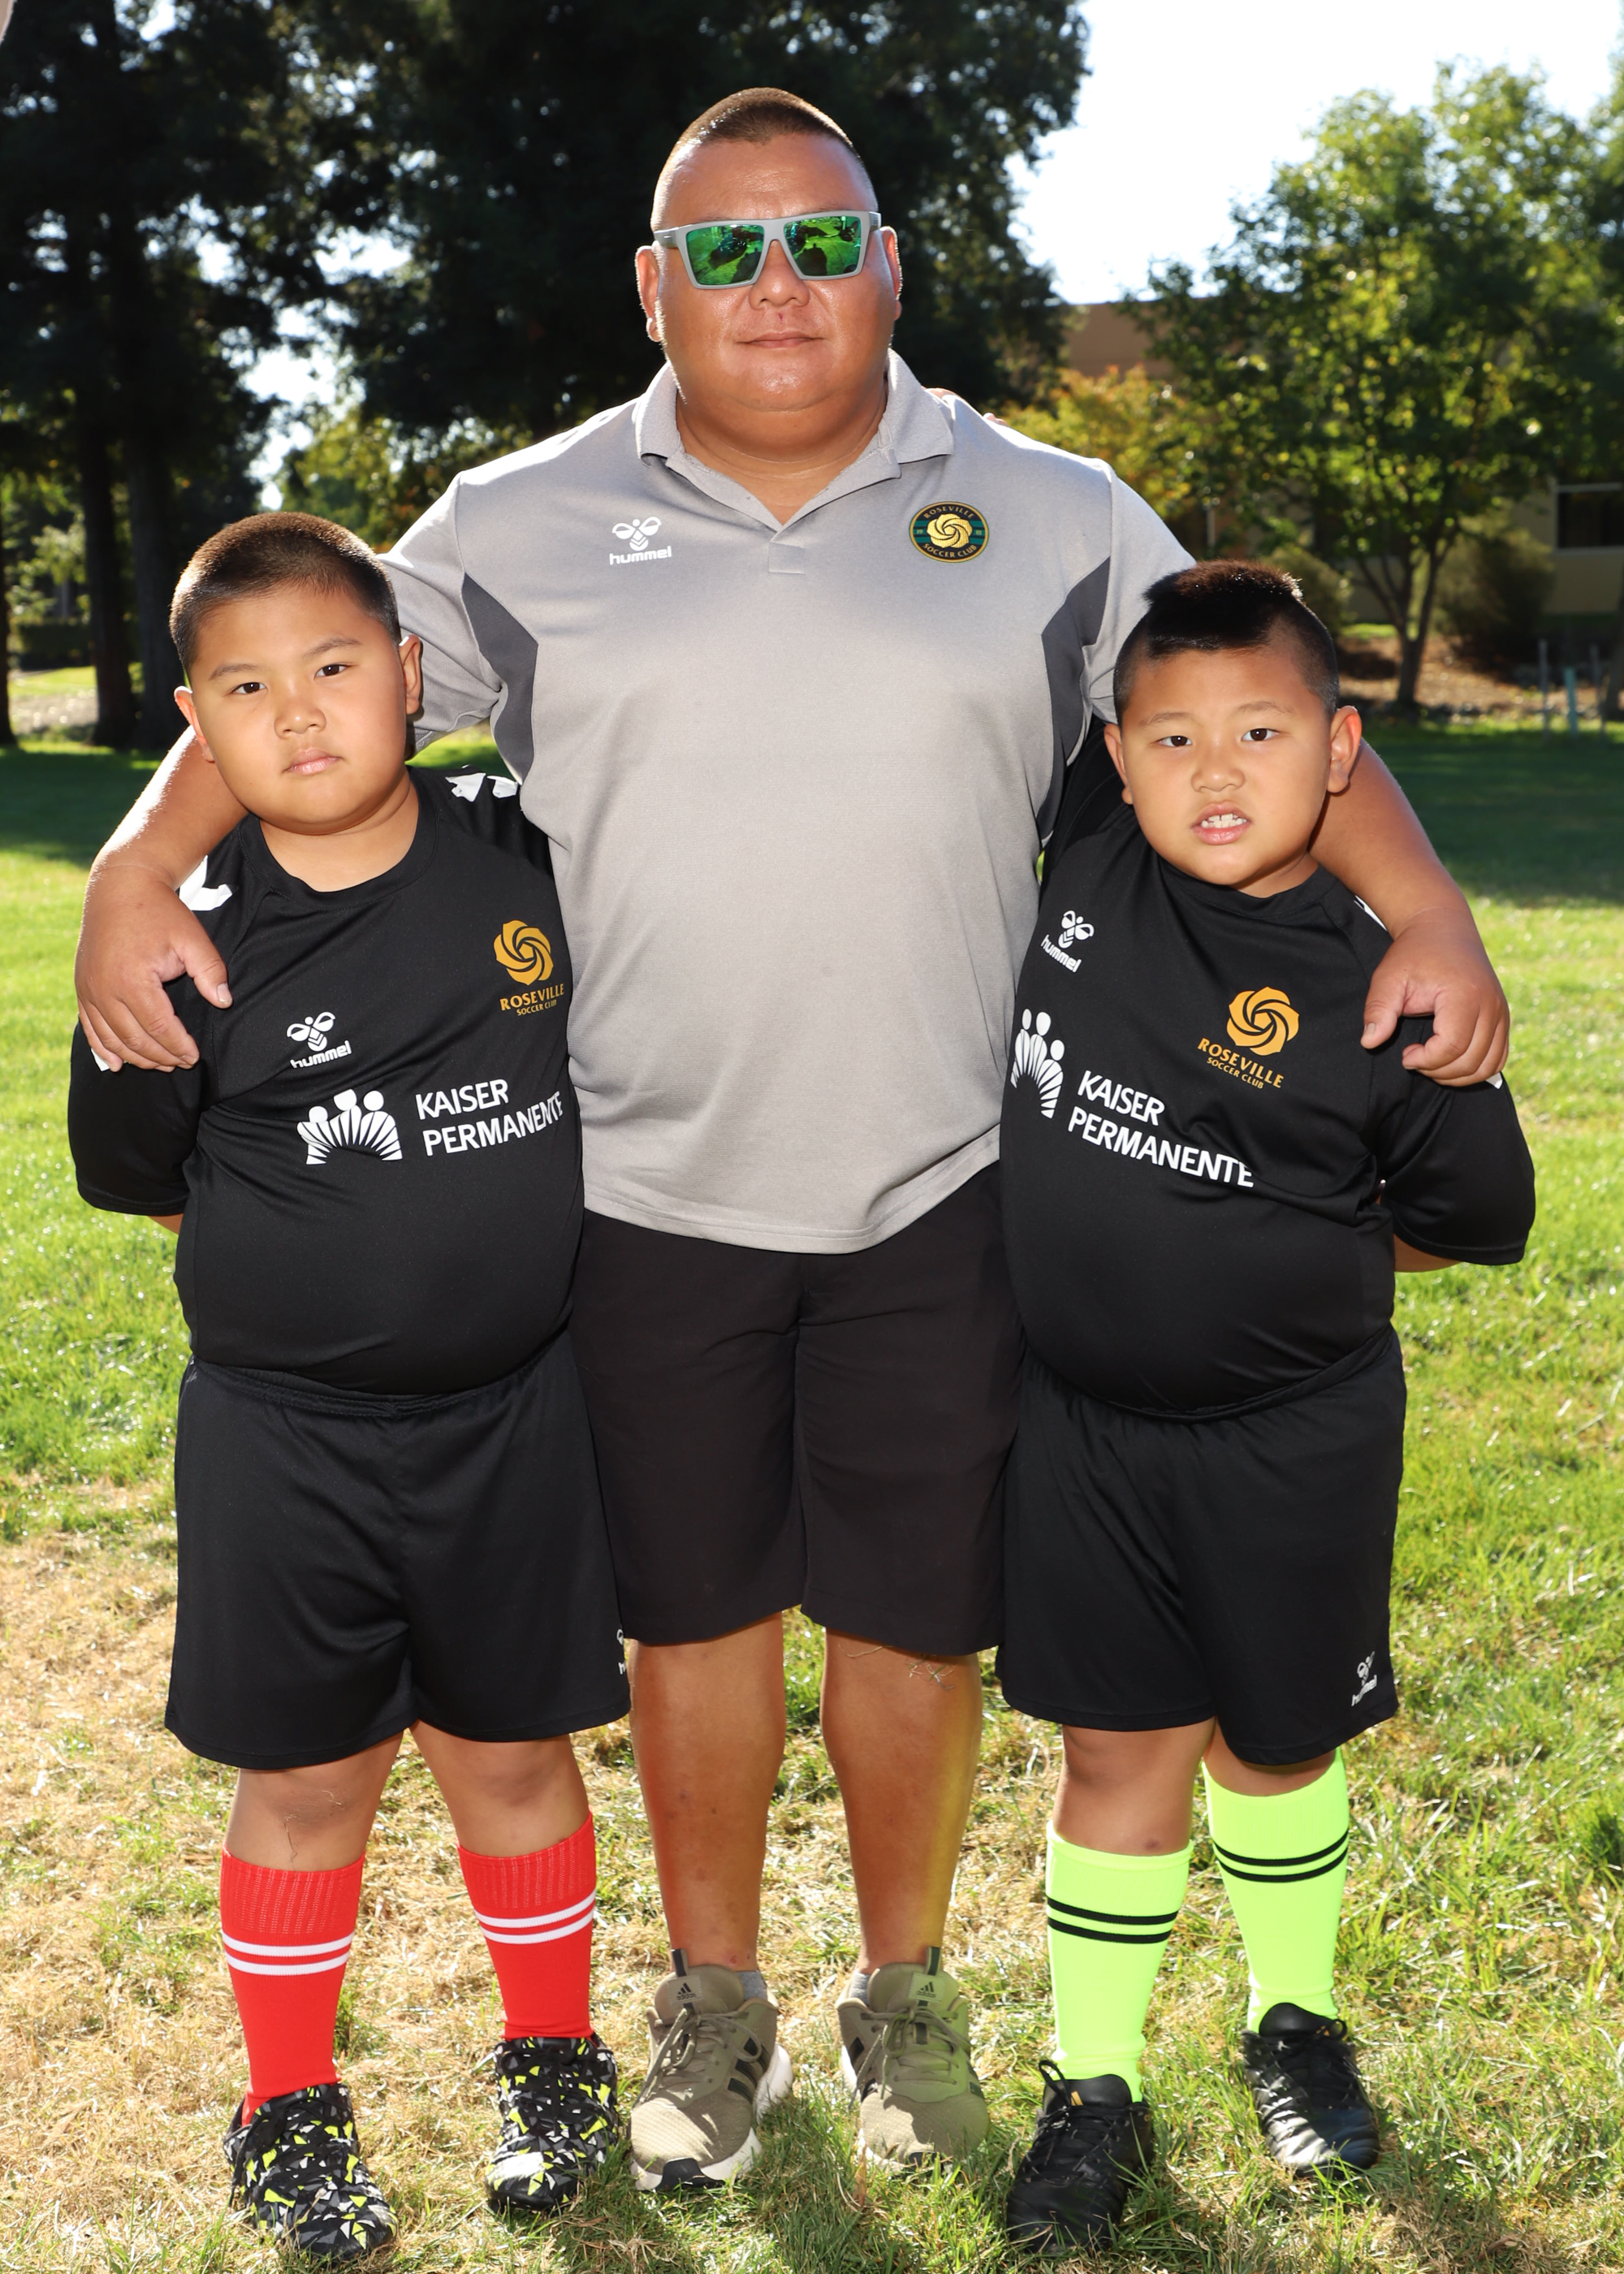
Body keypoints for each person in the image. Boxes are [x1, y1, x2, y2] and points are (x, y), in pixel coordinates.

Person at [72, 90, 1512, 2188]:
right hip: (641, 1184)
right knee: (695, 1620)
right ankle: (714, 2002)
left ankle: (906, 2003)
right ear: (651, 285)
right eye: (724, 249)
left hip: (946, 1179)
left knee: (916, 1622)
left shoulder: (1047, 507)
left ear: (888, 271)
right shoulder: (519, 518)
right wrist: (135, 865)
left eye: (823, 242)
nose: (777, 284)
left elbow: (1254, 703)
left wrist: (1433, 909)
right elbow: (298, 675)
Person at [67, 515, 630, 2259]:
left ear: (410, 673)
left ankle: (554, 2059)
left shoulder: (527, 846)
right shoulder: (178, 933)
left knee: (513, 1752)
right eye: (245, 689)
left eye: (332, 667)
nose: (299, 713)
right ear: (192, 723)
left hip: (515, 1413)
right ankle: (289, 2105)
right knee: (309, 1779)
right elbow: (148, 1178)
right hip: (285, 1438)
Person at [995, 561, 1535, 2254]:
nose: (1213, 770)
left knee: (1278, 1741)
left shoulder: (1385, 989)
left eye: (1260, 733)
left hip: (1294, 1436)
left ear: (1341, 751)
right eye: (1170, 738)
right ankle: (1094, 2085)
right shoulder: (1089, 854)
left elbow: (1468, 1216)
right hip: (1082, 1426)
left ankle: (1294, 2019)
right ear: (1115, 759)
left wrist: (1278, 1241)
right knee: (1114, 1751)